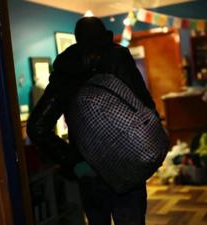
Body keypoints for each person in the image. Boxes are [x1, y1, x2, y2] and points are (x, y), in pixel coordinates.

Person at [27, 17, 157, 225]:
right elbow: (147, 108)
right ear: (105, 34)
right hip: (126, 165)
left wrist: (74, 163)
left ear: (77, 39)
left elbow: (36, 126)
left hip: (89, 172)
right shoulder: (118, 58)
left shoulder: (66, 69)